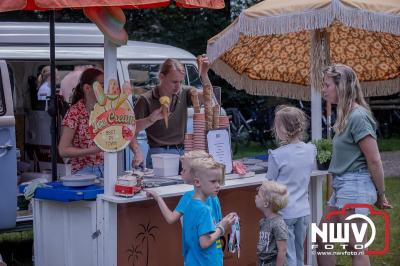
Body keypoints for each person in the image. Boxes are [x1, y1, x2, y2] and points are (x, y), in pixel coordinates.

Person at [317, 64, 392, 266]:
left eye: (326, 85)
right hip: (343, 185)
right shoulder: (345, 116)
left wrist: (381, 194)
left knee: (354, 246)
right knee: (323, 240)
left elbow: (374, 160)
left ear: (341, 87)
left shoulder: (359, 117)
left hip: (355, 185)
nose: (323, 89)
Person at [58, 68, 163, 177]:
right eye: (102, 86)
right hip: (84, 172)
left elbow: (128, 127)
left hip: (109, 168)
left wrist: (151, 119)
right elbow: (63, 150)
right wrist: (95, 149)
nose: (106, 90)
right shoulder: (75, 112)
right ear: (87, 88)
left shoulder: (109, 108)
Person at [146, 150, 225, 264]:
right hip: (214, 253)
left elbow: (171, 218)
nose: (181, 173)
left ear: (194, 173)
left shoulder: (189, 197)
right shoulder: (214, 196)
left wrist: (158, 198)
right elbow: (218, 224)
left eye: (184, 169)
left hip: (197, 257)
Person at [133, 56, 211, 168]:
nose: (178, 86)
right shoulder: (146, 99)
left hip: (184, 152)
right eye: (174, 81)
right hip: (159, 154)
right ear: (161, 77)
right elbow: (129, 130)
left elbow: (208, 98)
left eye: (180, 81)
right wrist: (137, 152)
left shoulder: (185, 92)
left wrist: (204, 74)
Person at [265, 105, 316, 266]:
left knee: (288, 256)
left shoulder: (276, 155)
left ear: (281, 128)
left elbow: (269, 184)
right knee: (300, 254)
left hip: (284, 213)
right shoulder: (311, 149)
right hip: (303, 211)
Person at [181, 157, 235, 266]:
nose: (218, 185)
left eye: (219, 181)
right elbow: (204, 242)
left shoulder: (190, 205)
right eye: (213, 181)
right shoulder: (204, 210)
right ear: (197, 182)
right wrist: (222, 227)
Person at [255, 180, 289, 266]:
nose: (255, 197)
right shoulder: (263, 222)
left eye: (258, 196)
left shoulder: (278, 224)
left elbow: (282, 250)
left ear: (266, 203)